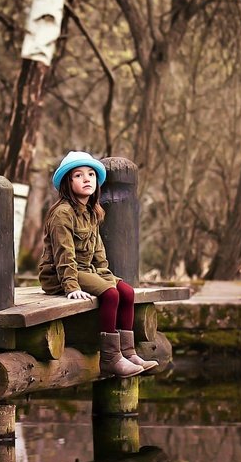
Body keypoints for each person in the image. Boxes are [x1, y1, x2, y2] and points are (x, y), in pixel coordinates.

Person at [38, 151, 157, 377]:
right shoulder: (62, 214)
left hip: (87, 271)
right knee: (111, 295)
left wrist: (106, 275)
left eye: (91, 174)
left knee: (126, 292)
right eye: (78, 175)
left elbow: (98, 252)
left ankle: (128, 353)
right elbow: (64, 253)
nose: (87, 179)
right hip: (60, 274)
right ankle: (110, 359)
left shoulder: (93, 212)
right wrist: (71, 287)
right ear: (67, 182)